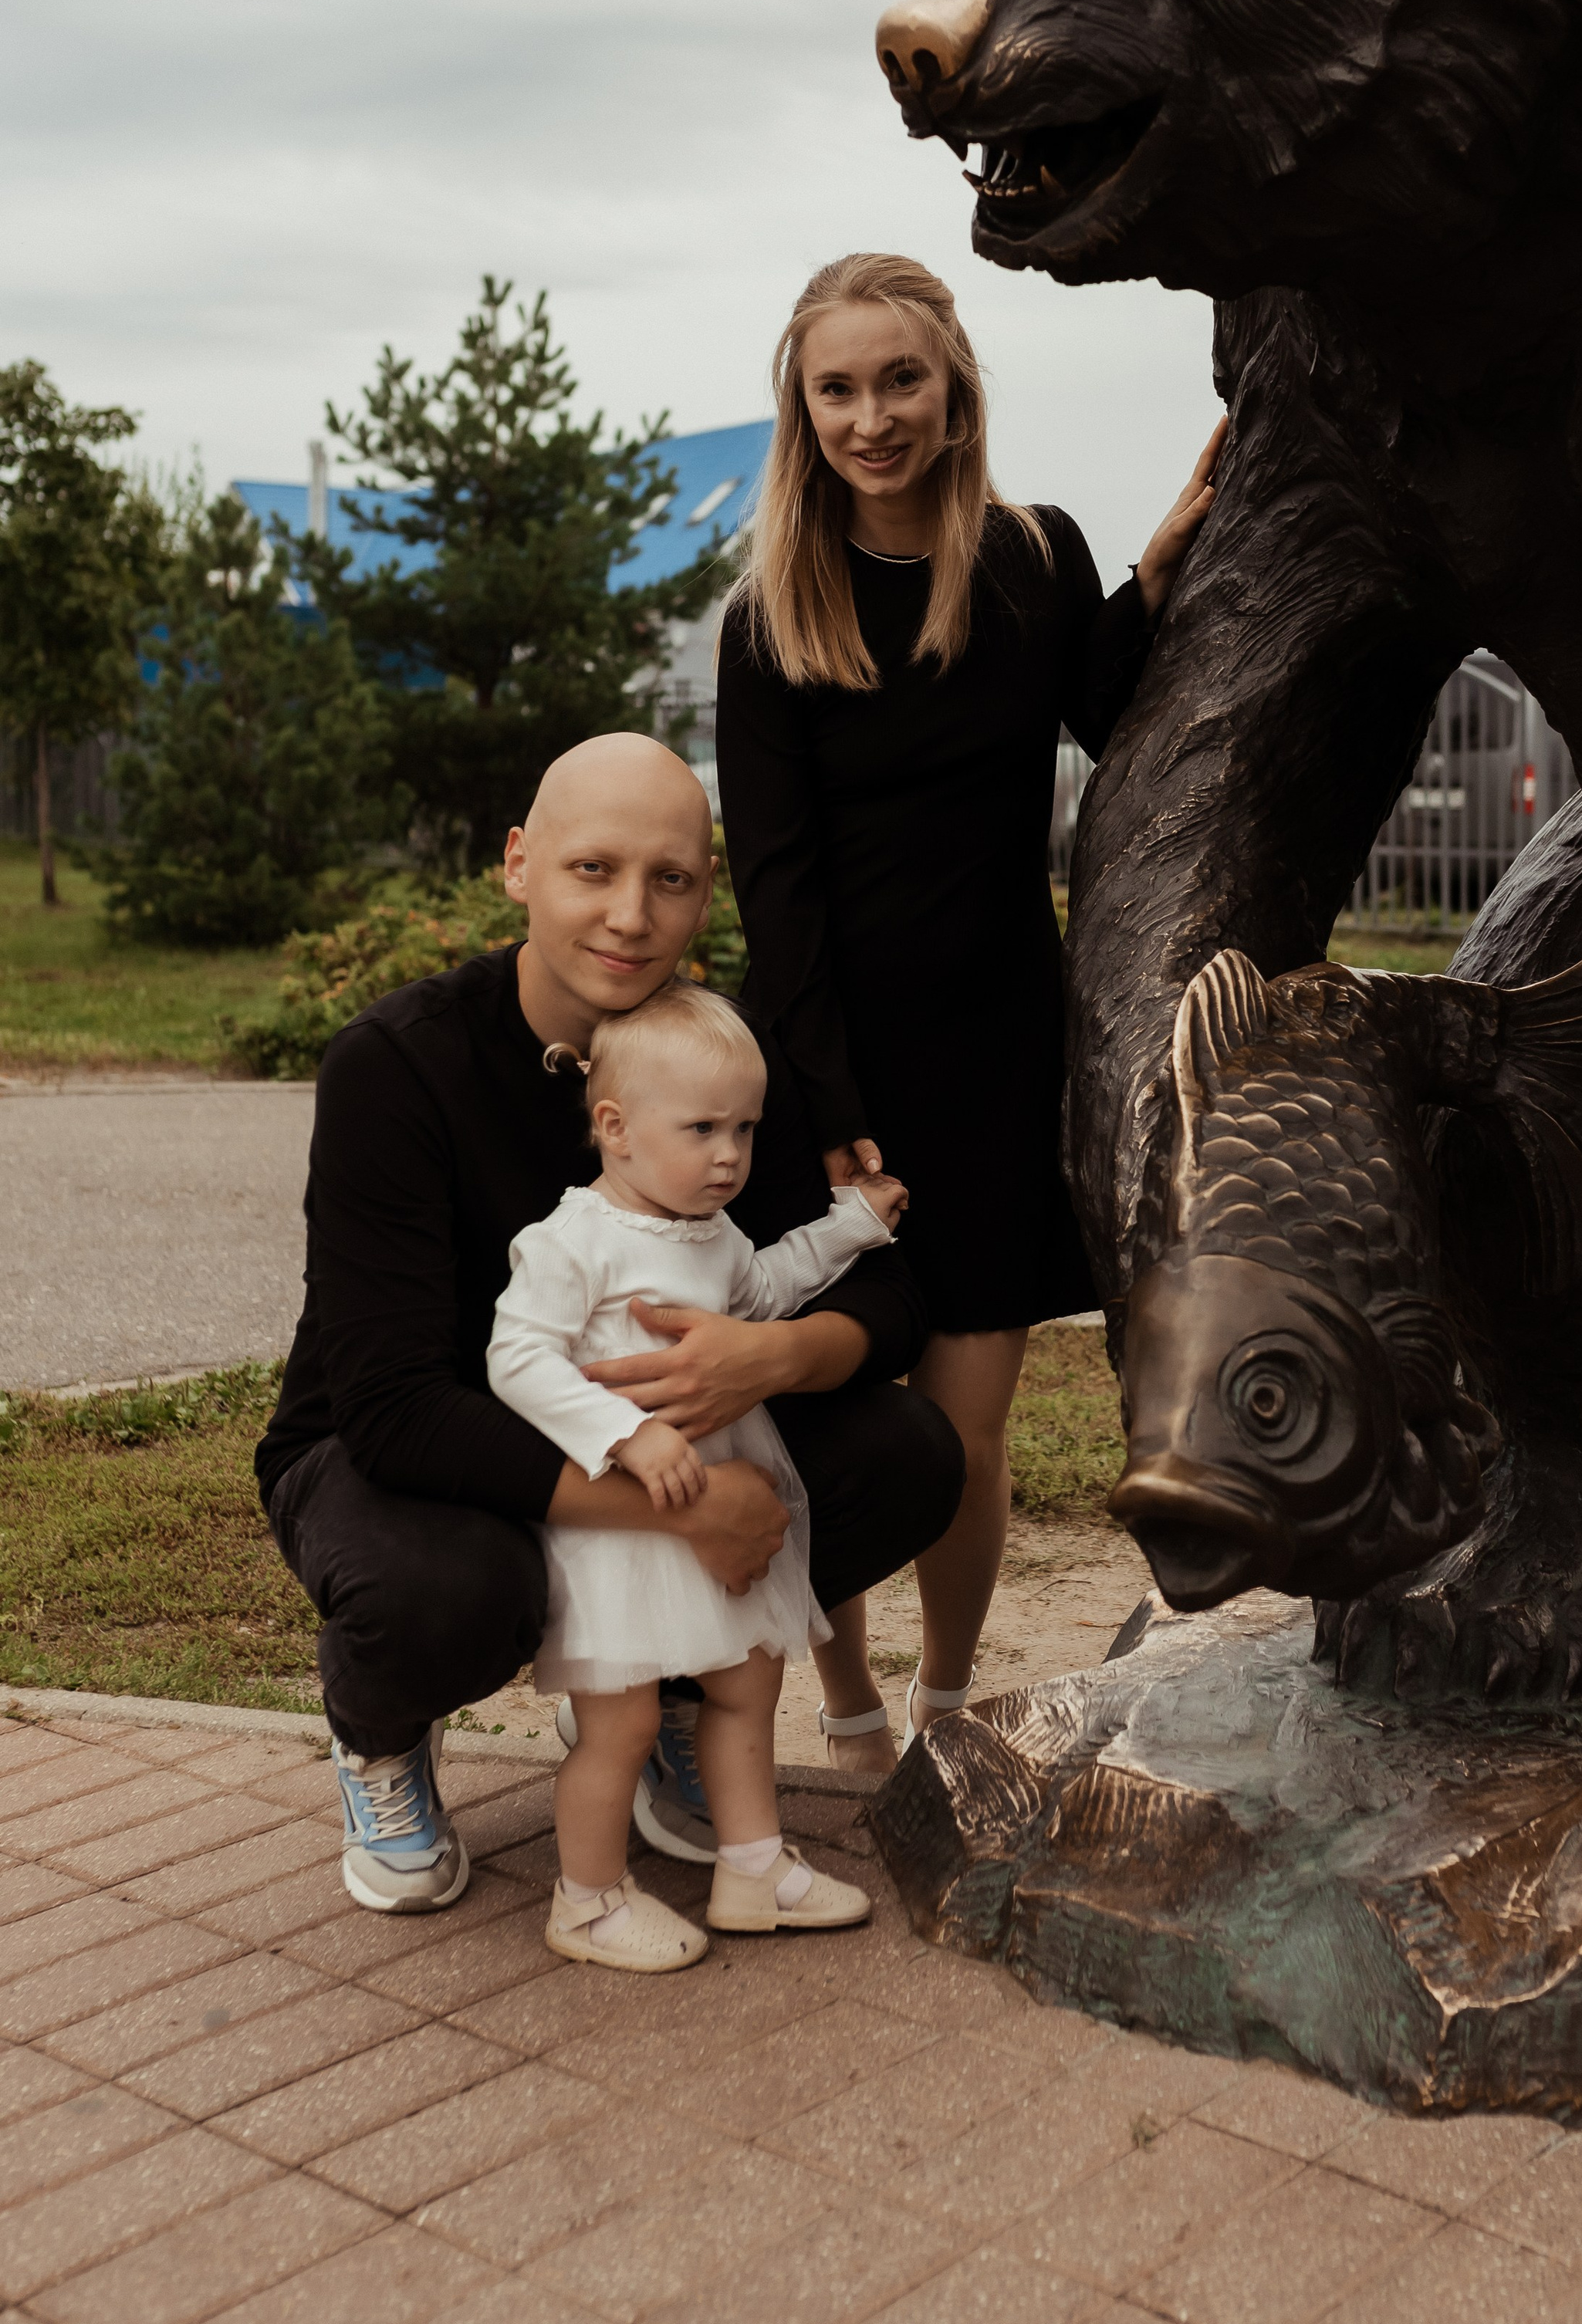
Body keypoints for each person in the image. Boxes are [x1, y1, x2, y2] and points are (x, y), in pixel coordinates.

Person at [255, 731, 963, 1914]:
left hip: (665, 1441)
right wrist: (691, 1506)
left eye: (671, 880)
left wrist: (775, 1353)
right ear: (518, 864)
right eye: (594, 870)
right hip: (415, 1462)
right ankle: (379, 1738)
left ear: (705, 891)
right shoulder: (394, 1067)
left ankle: (682, 1702)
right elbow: (389, 1405)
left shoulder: (722, 1061)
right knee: (451, 1592)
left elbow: (889, 1298)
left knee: (907, 1454)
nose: (632, 916)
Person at [715, 251, 1221, 1772]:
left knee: (962, 1430)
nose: (870, 415)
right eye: (838, 388)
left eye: (898, 380)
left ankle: (945, 1706)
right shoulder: (767, 618)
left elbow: (1101, 715)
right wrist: (828, 1107)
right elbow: (777, 892)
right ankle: (847, 1707)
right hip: (819, 1072)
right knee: (822, 1421)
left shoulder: (1027, 558)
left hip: (999, 1058)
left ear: (952, 390)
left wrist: (1151, 572)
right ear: (801, 412)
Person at [487, 981, 902, 1968]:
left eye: (746, 1131)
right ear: (615, 1127)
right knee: (622, 1722)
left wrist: (854, 1224)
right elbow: (517, 1358)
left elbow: (770, 1288)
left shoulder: (713, 1237)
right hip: (627, 1526)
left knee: (748, 1683)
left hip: (718, 1512)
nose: (730, 1156)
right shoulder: (571, 1240)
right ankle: (585, 1900)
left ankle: (750, 1866)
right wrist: (623, 1436)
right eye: (704, 1128)